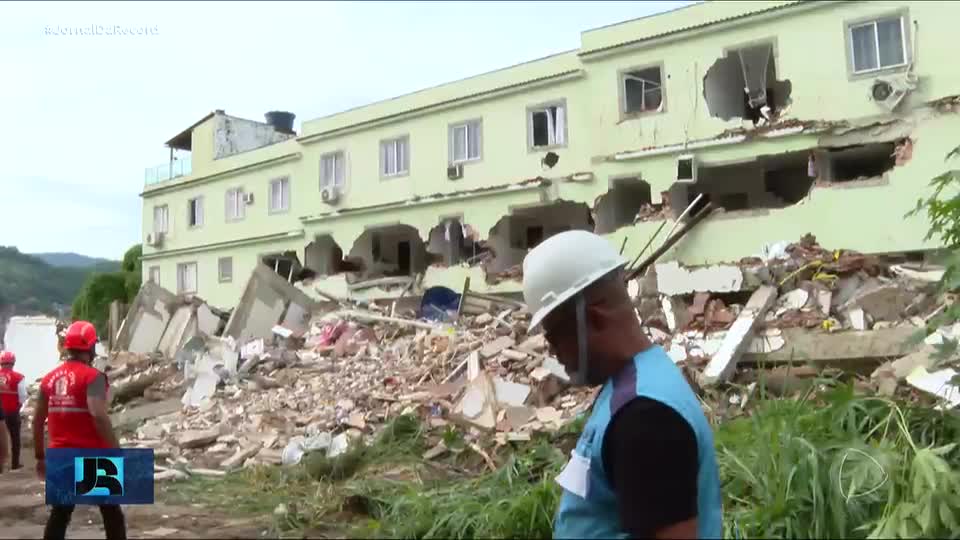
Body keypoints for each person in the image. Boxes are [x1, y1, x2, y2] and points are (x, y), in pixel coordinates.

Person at [521, 230, 722, 539]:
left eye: (554, 335)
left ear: (594, 317)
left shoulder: (645, 415)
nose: (553, 351)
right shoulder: (632, 385)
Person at [34, 321, 127, 540]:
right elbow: (98, 414)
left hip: (60, 456)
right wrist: (115, 450)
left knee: (60, 514)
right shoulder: (94, 378)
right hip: (93, 455)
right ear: (91, 348)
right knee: (111, 513)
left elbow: (37, 422)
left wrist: (40, 456)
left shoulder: (48, 380)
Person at [0, 350, 28, 470]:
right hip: (12, 412)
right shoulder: (19, 377)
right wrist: (18, 406)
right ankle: (15, 464)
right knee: (15, 438)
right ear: (13, 363)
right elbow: (23, 395)